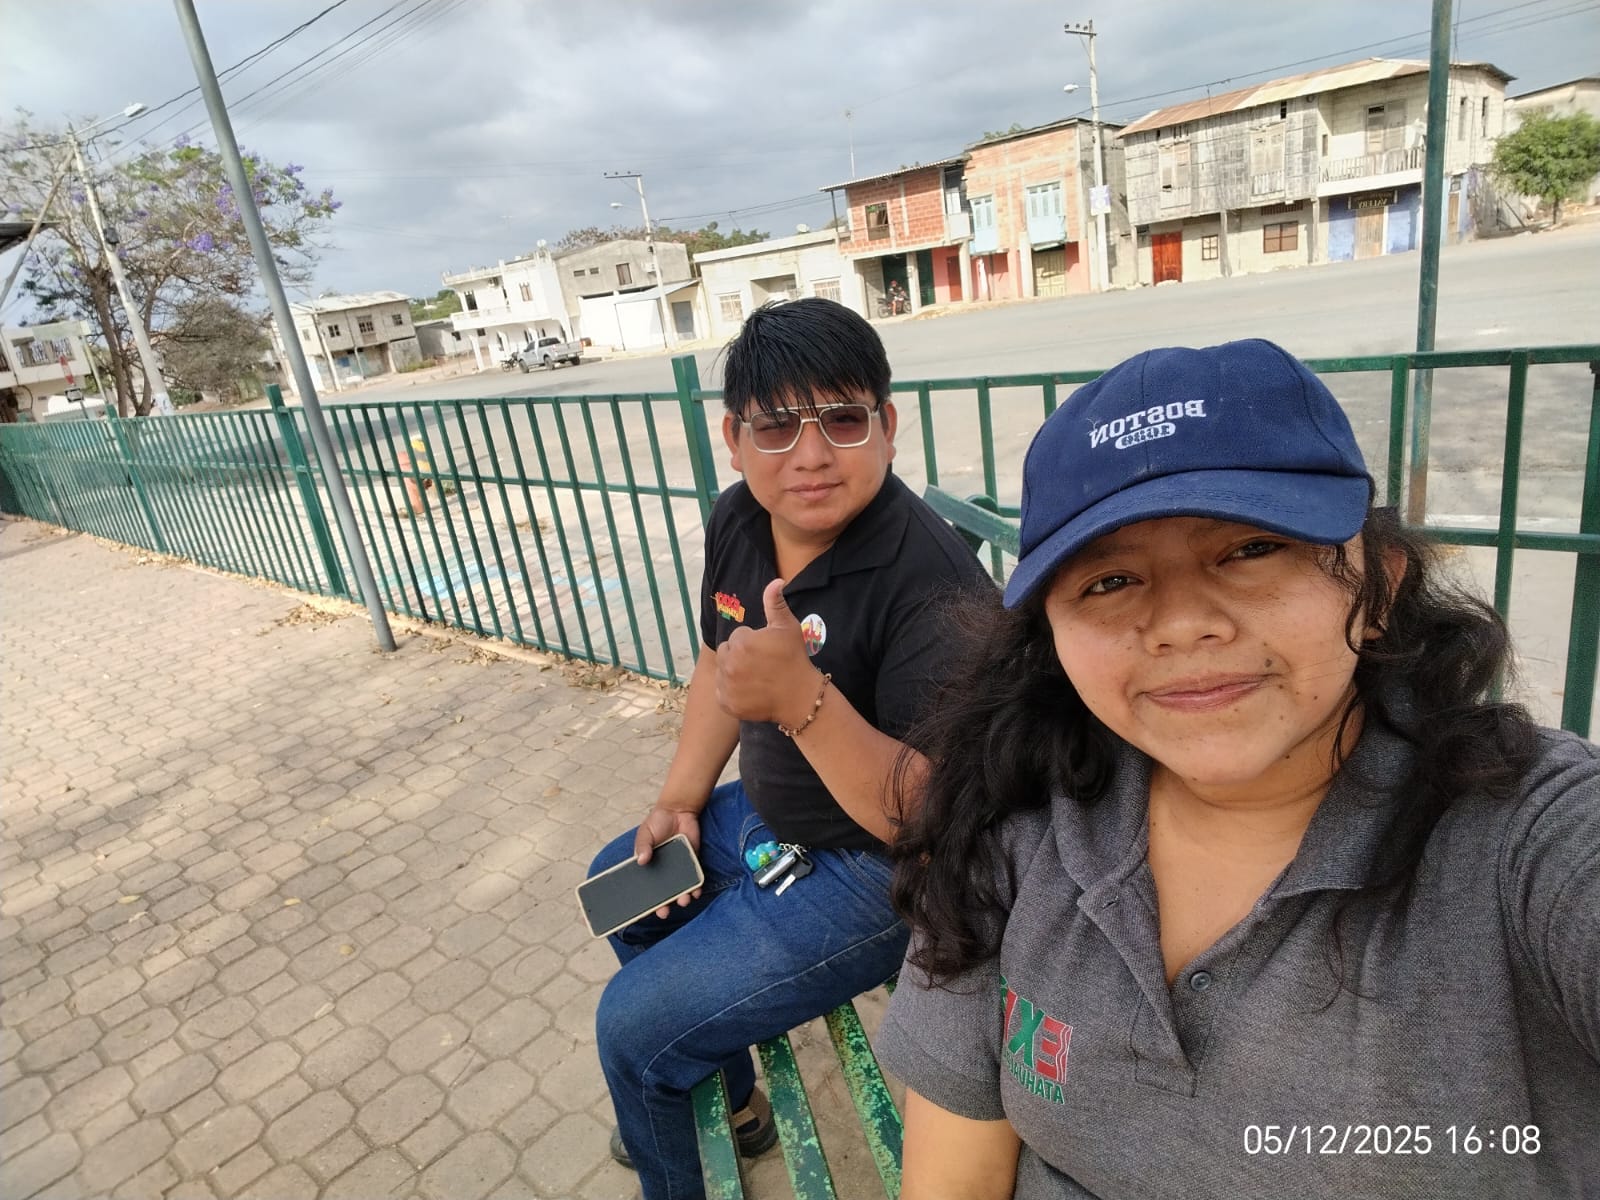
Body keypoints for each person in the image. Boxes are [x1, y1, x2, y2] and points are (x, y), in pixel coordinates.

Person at [876, 338, 1599, 1198]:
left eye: (1252, 549)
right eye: (1109, 582)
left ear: (1379, 585)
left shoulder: (1527, 844)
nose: (1183, 624)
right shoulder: (1013, 817)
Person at [589, 297, 993, 1200]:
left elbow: (934, 817)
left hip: (879, 875)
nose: (811, 456)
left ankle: (669, 1137)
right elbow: (718, 658)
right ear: (734, 440)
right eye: (776, 428)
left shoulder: (931, 586)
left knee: (632, 1031)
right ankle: (734, 1103)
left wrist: (804, 701)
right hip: (774, 819)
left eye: (843, 420)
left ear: (887, 427)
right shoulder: (739, 519)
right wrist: (679, 800)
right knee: (628, 886)